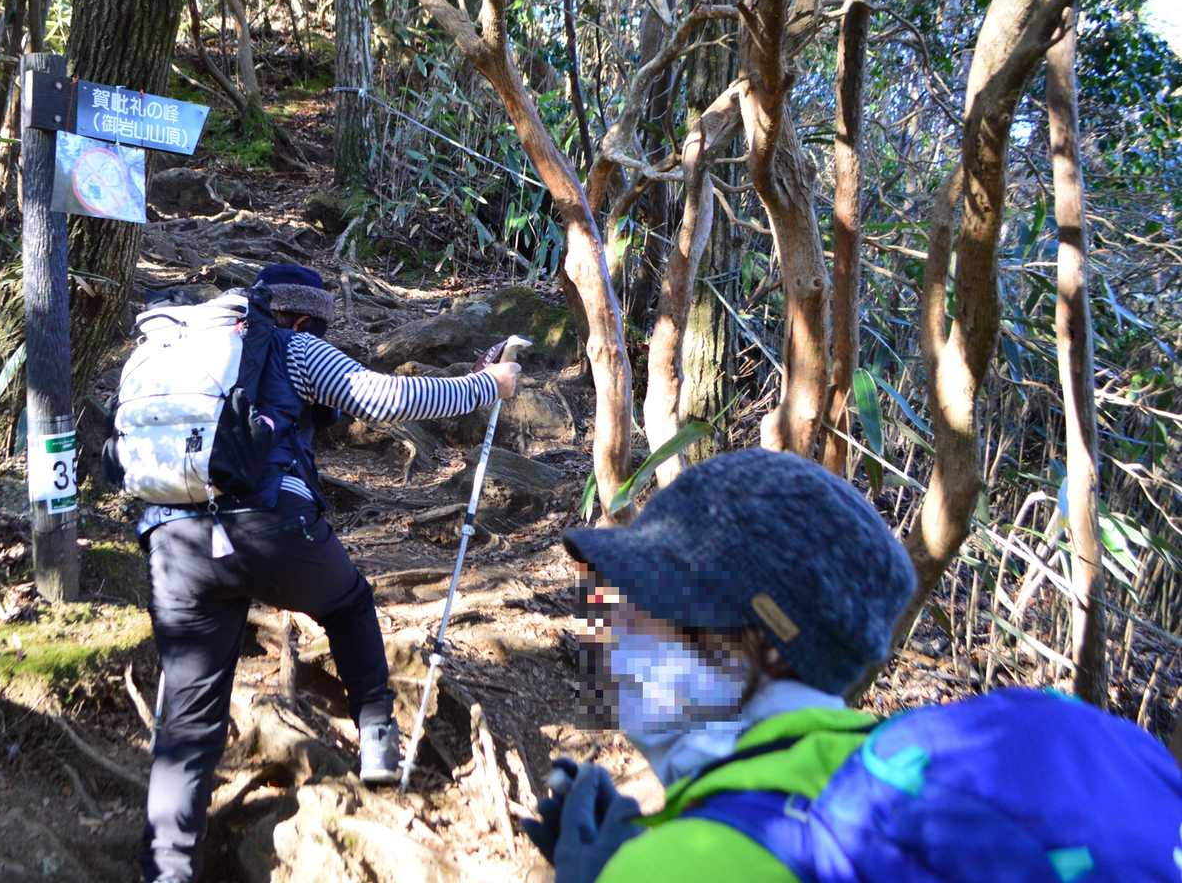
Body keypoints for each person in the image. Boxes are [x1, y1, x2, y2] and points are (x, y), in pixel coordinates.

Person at [528, 448, 1182, 882]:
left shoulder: (689, 865)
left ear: (770, 646)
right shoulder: (889, 781)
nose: (612, 630)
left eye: (654, 606)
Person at [138, 262, 521, 882]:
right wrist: (487, 386)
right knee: (347, 604)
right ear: (301, 317)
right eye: (319, 326)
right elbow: (389, 398)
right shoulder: (290, 347)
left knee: (187, 717)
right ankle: (378, 743)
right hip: (269, 529)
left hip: (173, 540)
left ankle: (167, 869)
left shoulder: (194, 353)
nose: (321, 336)